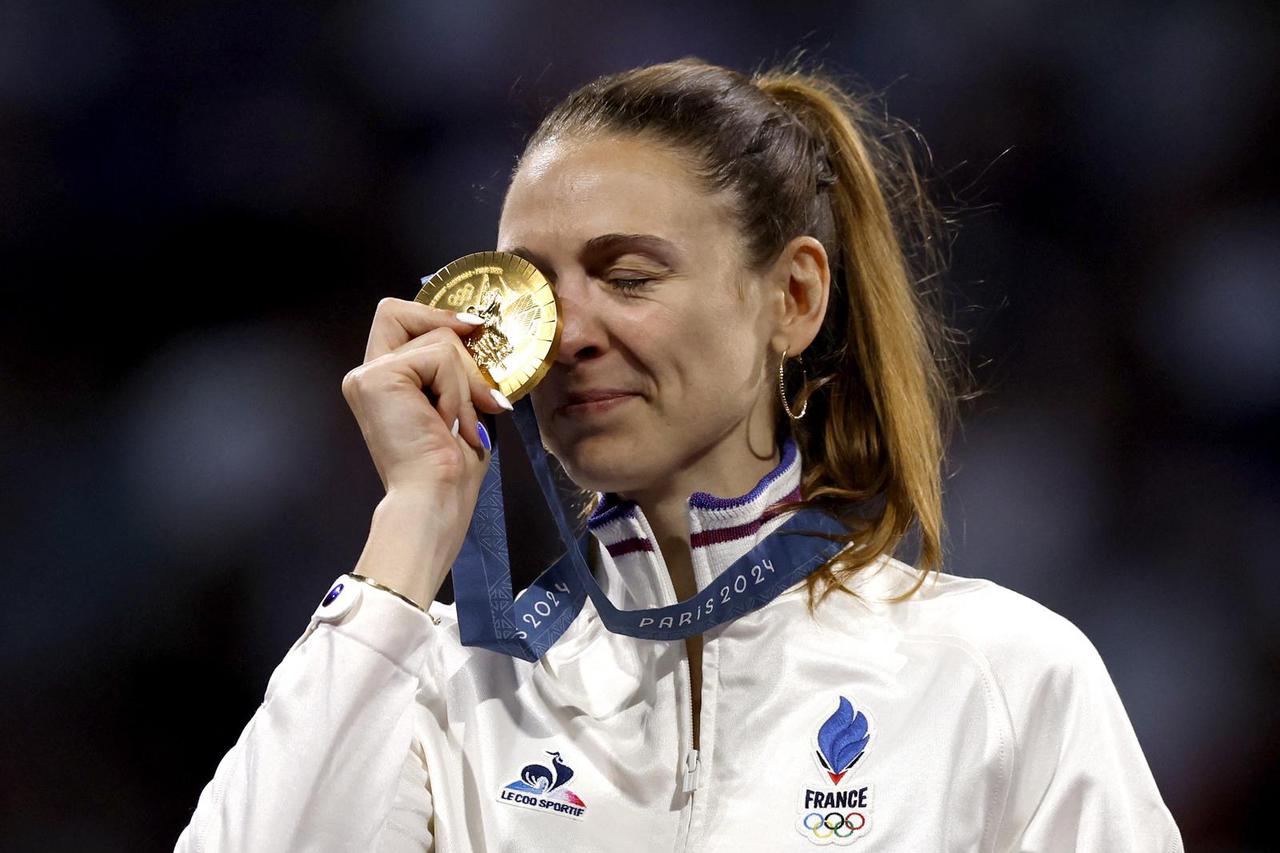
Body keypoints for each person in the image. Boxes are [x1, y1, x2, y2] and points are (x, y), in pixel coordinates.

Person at [174, 57, 1184, 852]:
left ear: (792, 298)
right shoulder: (449, 689)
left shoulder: (997, 677)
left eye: (627, 276)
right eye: (534, 290)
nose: (569, 335)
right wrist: (413, 520)